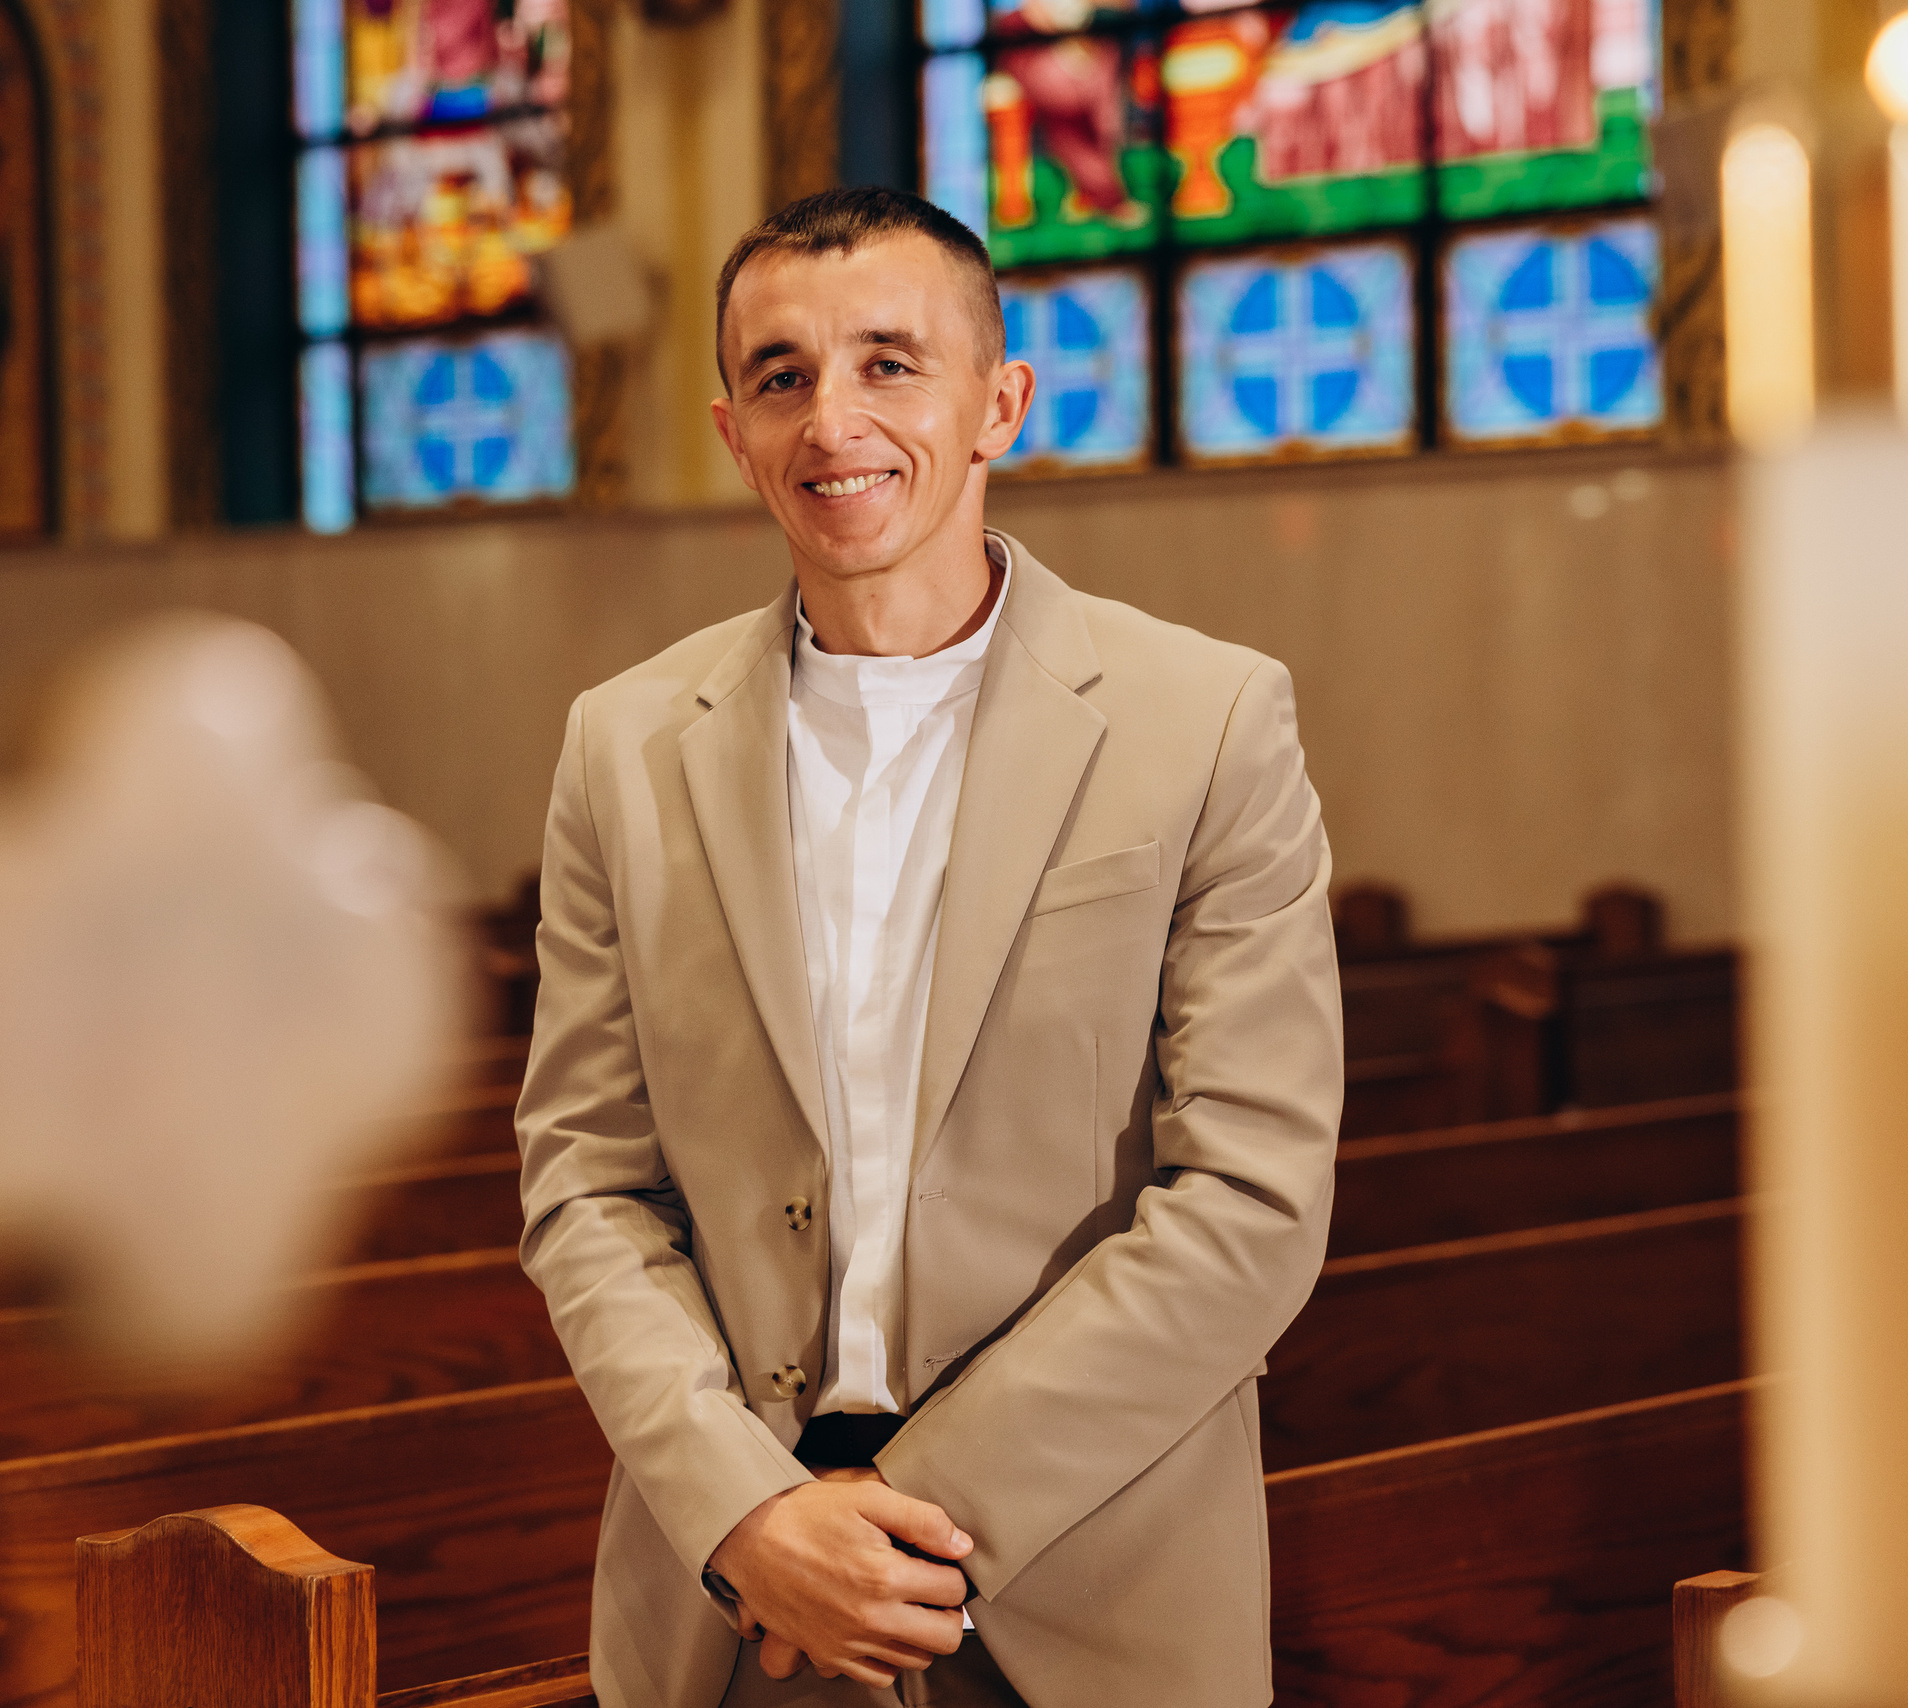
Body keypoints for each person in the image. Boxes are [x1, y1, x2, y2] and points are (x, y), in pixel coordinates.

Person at [515, 186, 1342, 1708]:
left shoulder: (1205, 721)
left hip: (1085, 1577)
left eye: (891, 362)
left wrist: (907, 1524)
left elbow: (1254, 1197)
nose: (835, 419)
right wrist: (753, 1512)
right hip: (734, 1599)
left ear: (996, 404)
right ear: (733, 431)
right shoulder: (622, 749)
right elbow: (586, 1182)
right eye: (783, 377)